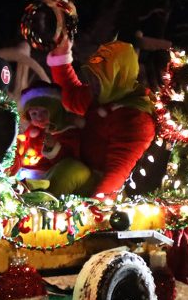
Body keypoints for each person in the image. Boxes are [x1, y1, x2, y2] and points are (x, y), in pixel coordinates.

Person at [47, 34, 155, 198]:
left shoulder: (135, 119)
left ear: (117, 77)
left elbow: (117, 172)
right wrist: (61, 55)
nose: (93, 84)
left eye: (100, 79)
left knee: (68, 171)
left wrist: (96, 209)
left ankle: (44, 215)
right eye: (92, 77)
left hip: (102, 187)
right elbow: (72, 95)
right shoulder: (103, 95)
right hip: (80, 169)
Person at [7, 83, 90, 196]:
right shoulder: (32, 131)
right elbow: (22, 150)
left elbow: (69, 160)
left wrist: (53, 148)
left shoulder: (66, 132)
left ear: (55, 111)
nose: (39, 117)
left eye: (44, 112)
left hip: (47, 176)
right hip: (23, 172)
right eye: (34, 113)